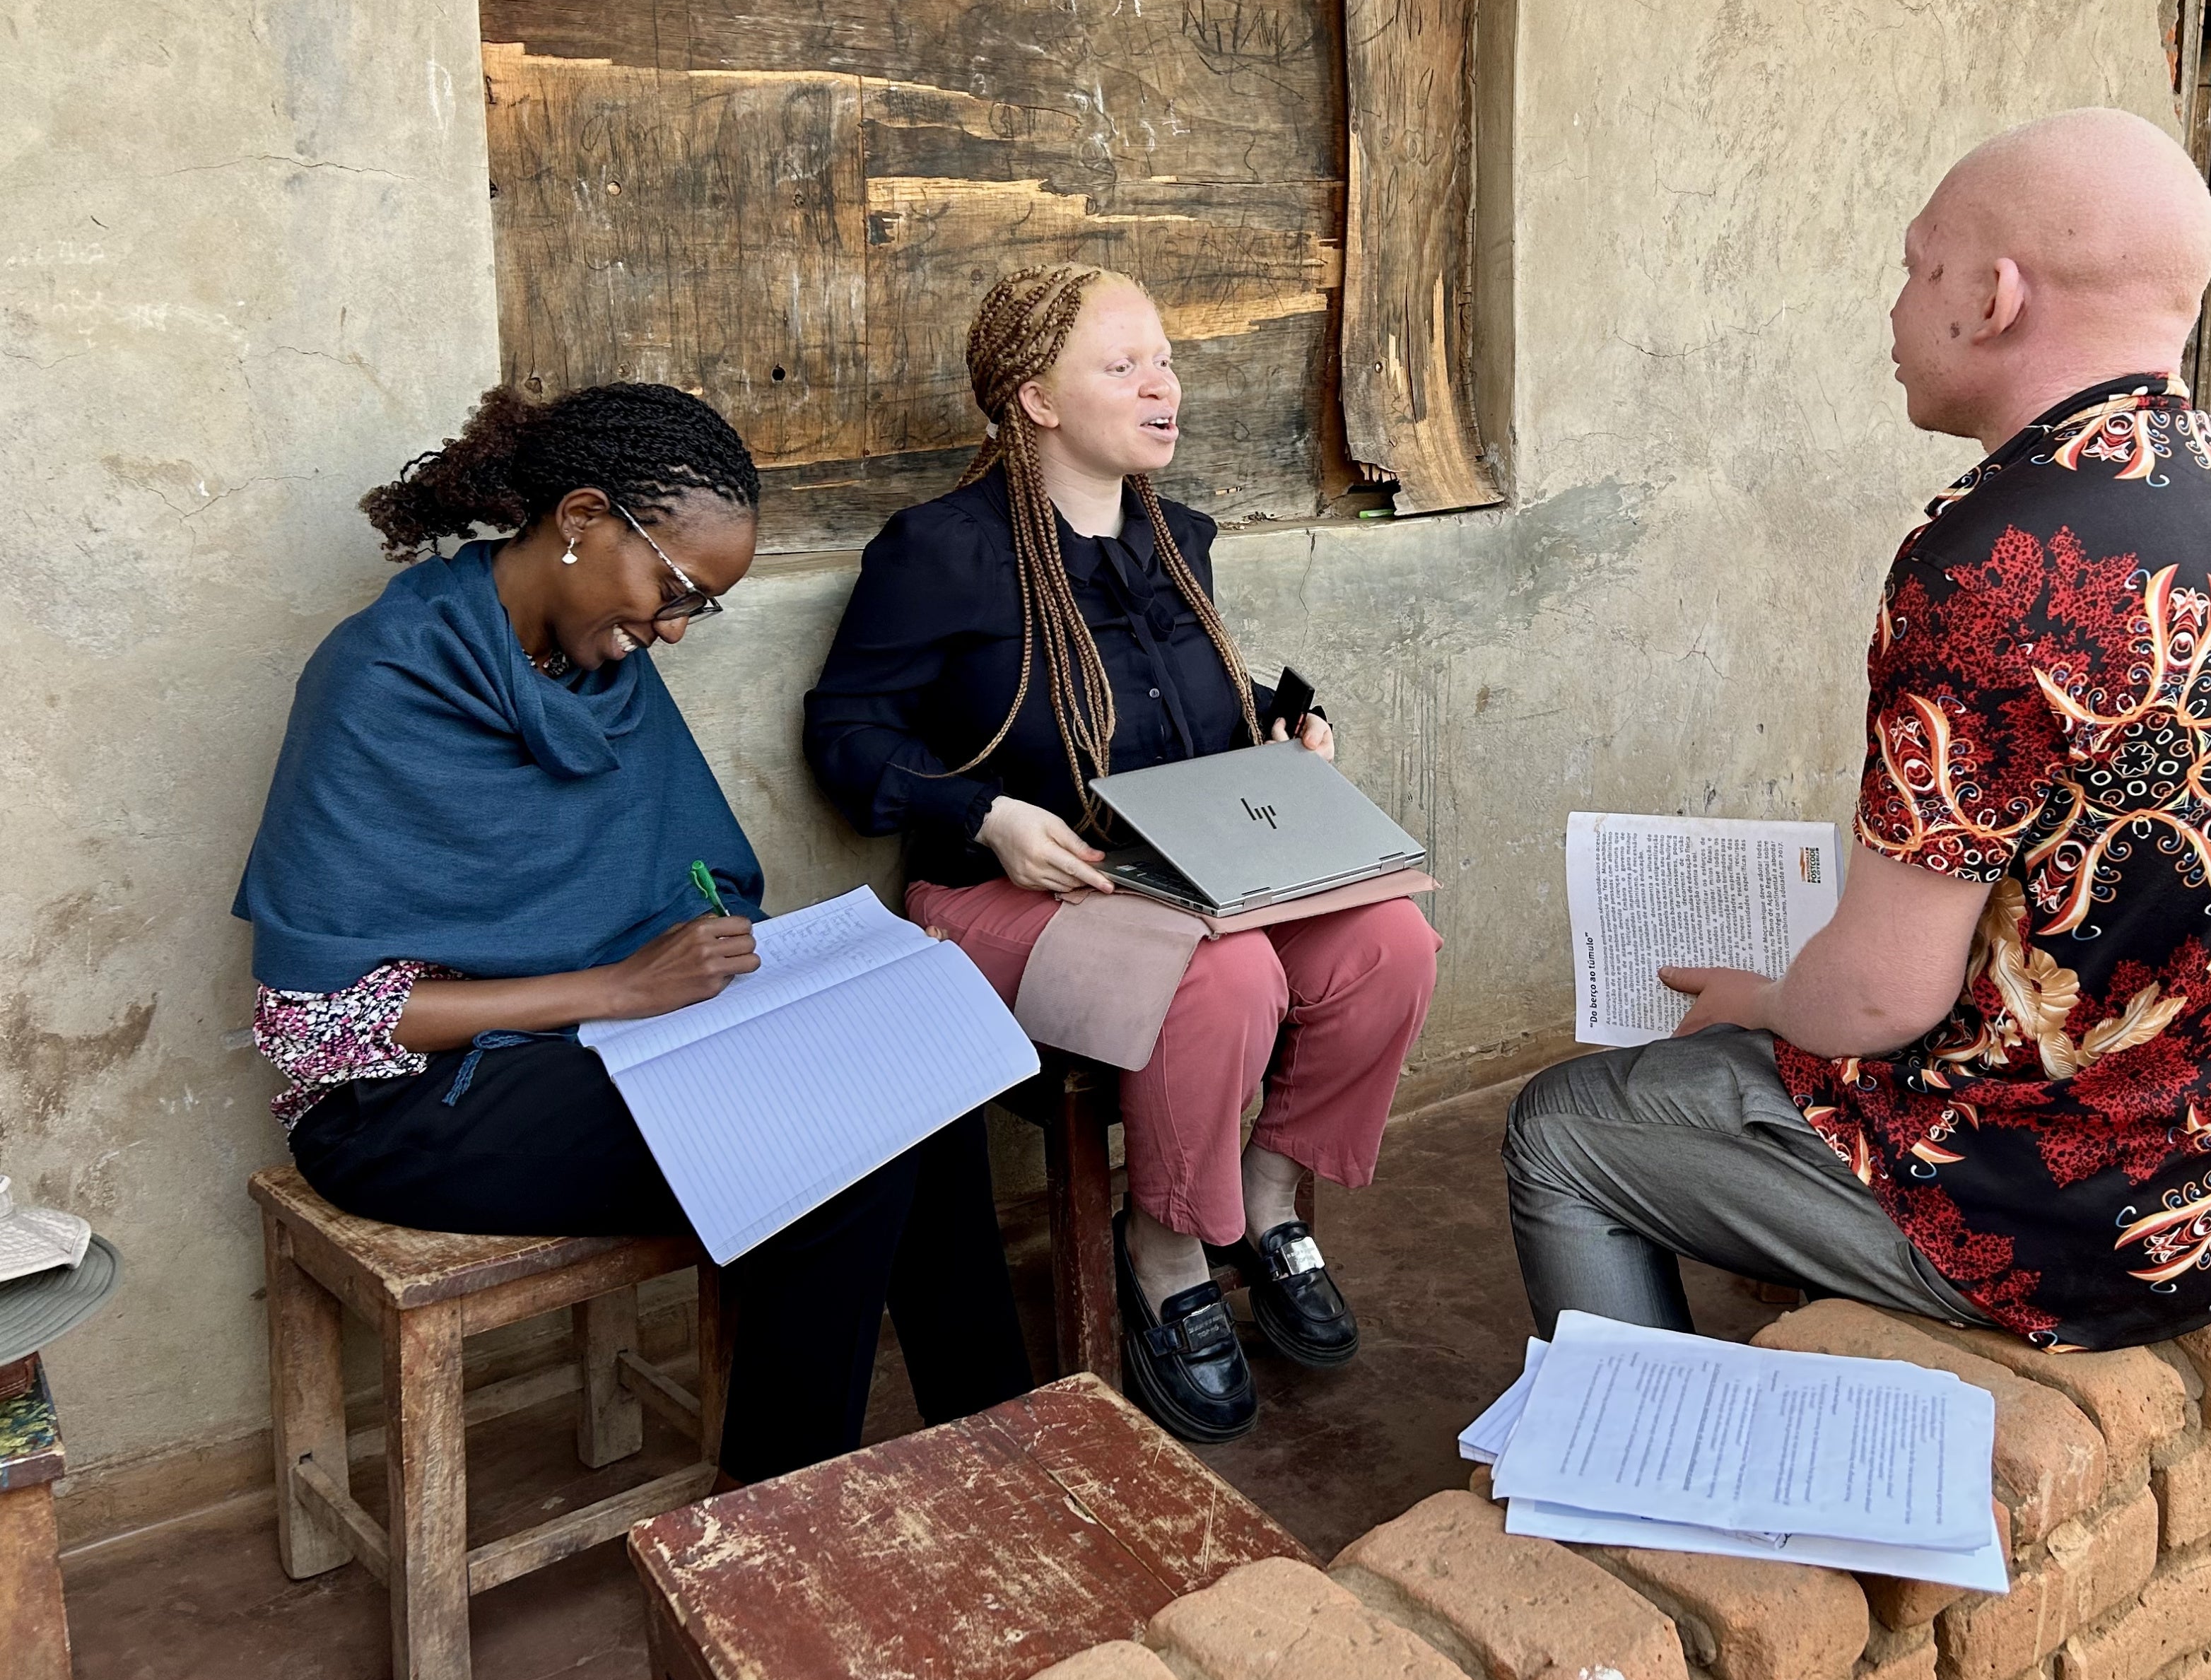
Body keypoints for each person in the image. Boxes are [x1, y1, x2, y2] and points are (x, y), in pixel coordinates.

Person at [1506, 110, 2211, 1351]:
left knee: (1569, 1126)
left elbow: (1878, 997)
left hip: (2085, 1211)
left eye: (1917, 268)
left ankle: (1637, 1469)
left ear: (1991, 295)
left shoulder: (1995, 557)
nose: (1895, 308)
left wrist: (1760, 1003)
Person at [236, 381, 1029, 1486]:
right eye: (671, 586)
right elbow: (314, 1029)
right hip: (412, 1104)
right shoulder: (383, 678)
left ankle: (1004, 1457)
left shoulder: (598, 672)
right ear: (581, 518)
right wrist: (613, 988)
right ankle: (765, 1550)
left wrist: (768, 971)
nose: (667, 628)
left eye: (694, 608)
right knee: (840, 1156)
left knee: (925, 1084)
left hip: (603, 1042)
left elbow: (685, 883)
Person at [804, 264, 1438, 1441]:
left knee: (1391, 941)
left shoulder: (1173, 538)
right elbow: (842, 734)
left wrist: (1282, 728)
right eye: (1123, 366)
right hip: (1006, 898)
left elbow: (1171, 698)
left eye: (1165, 360)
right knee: (1229, 973)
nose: (1164, 387)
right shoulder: (940, 551)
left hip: (1181, 880)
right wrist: (984, 814)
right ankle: (1165, 1248)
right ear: (1037, 399)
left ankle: (1266, 1192)